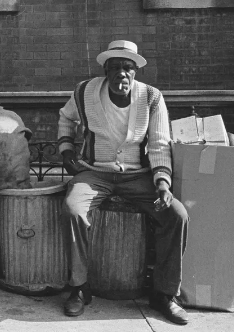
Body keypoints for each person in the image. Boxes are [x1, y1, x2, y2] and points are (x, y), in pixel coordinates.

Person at [57, 40, 189, 325]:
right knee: (74, 209)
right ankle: (79, 288)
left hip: (138, 181)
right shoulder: (85, 92)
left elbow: (158, 143)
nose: (121, 74)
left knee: (174, 214)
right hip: (94, 176)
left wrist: (162, 184)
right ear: (106, 70)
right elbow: (66, 117)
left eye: (127, 68)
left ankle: (164, 294)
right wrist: (66, 149)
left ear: (135, 72)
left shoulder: (152, 98)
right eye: (115, 68)